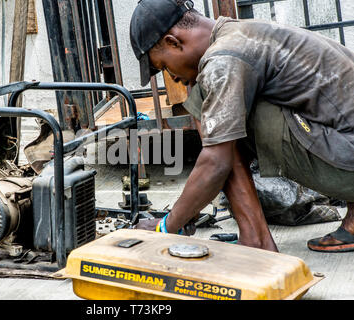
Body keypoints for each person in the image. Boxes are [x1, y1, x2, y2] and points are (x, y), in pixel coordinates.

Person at [129, 0, 354, 253]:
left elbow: (216, 162)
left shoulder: (224, 59)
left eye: (165, 68)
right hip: (345, 143)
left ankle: (255, 240)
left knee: (210, 112)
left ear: (173, 41)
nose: (174, 78)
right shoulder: (240, 31)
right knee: (218, 108)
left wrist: (167, 226)